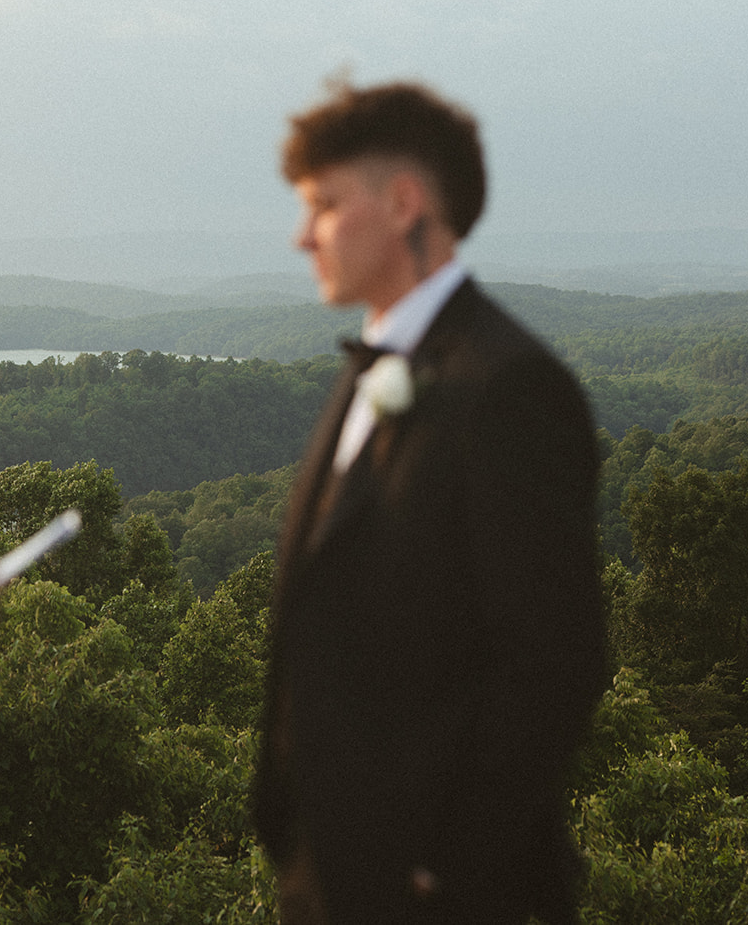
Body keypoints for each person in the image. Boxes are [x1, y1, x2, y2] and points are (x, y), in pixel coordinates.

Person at [252, 81, 606, 924]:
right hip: (330, 876)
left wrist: (440, 870)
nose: (302, 235)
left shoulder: (511, 386)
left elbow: (555, 662)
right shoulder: (365, 371)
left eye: (325, 204)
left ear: (405, 202)